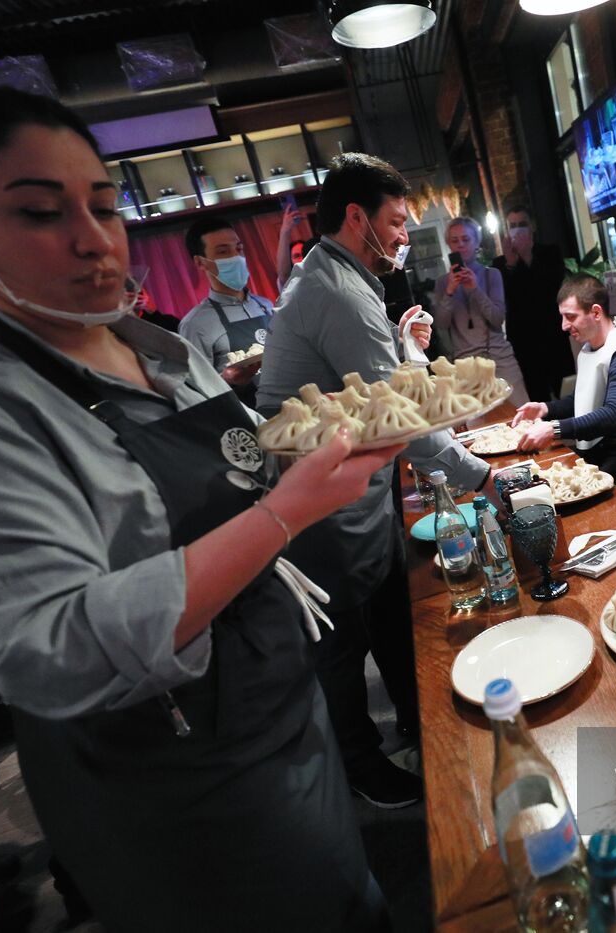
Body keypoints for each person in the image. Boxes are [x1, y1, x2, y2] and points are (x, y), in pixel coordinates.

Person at [0, 87, 401, 931]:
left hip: (279, 718)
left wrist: (319, 450)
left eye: (104, 205)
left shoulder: (159, 349)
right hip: (172, 783)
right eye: (42, 212)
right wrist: (281, 517)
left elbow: (244, 467)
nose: (93, 239)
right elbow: (54, 644)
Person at [257, 153, 491, 809]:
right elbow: (401, 419)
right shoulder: (333, 289)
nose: (401, 235)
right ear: (355, 217)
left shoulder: (340, 279)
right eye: (393, 221)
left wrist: (398, 342)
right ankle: (360, 764)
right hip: (320, 506)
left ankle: (421, 730)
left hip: (354, 492)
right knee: (341, 641)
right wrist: (483, 477)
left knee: (389, 612)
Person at [511, 273, 616, 483]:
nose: (564, 326)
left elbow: (614, 413)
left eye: (570, 316)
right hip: (601, 450)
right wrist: (545, 408)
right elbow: (584, 399)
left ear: (596, 312)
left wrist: (554, 429)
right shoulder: (590, 348)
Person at [431, 216, 529, 405]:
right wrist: (450, 291)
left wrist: (475, 289)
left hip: (499, 357)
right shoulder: (443, 283)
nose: (460, 245)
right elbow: (441, 324)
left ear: (476, 242)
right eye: (454, 240)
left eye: (466, 239)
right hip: (465, 365)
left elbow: (497, 318)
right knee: (479, 422)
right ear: (448, 245)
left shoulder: (491, 274)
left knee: (521, 412)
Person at [178, 217, 276, 402]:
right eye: (223, 251)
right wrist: (228, 380)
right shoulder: (196, 324)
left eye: (239, 249)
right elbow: (196, 392)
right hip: (247, 418)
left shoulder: (265, 305)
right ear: (200, 262)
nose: (236, 257)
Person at [492, 205, 574, 400]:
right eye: (513, 225)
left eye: (522, 224)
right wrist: (511, 263)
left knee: (567, 390)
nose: (517, 229)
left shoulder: (550, 253)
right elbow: (505, 299)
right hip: (523, 341)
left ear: (532, 227)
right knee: (537, 396)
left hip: (553, 334)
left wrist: (527, 255)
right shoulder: (499, 264)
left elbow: (552, 289)